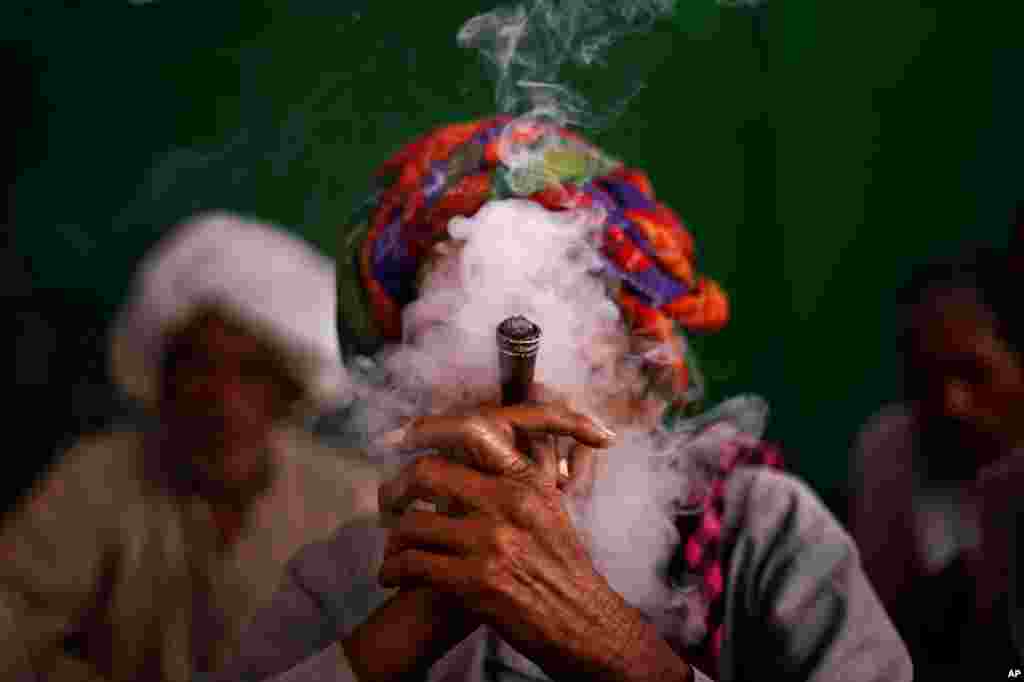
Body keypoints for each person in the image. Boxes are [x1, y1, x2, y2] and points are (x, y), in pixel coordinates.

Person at [220, 117, 912, 682]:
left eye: (569, 321)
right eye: (446, 327)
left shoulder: (761, 535)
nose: (506, 396)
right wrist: (416, 623)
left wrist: (617, 651)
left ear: (643, 376)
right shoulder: (355, 575)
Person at [0, 212, 389, 682]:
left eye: (250, 373)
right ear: (163, 378)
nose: (220, 399)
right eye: (198, 367)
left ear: (288, 391)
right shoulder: (92, 481)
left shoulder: (352, 500)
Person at [849, 246, 1024, 676]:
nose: (951, 402)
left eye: (973, 372)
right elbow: (880, 631)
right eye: (924, 377)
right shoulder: (889, 447)